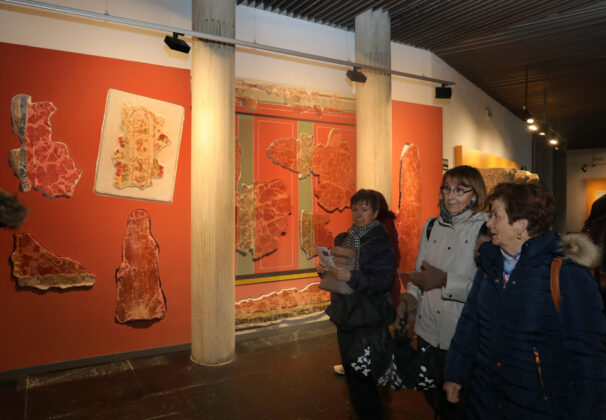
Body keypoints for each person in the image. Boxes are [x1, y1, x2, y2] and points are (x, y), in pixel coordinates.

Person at [444, 182, 606, 419]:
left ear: (522, 224)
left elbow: (587, 356)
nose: (488, 223)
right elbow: (470, 323)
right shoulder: (490, 264)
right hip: (485, 401)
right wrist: (455, 373)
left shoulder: (565, 272)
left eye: (495, 215)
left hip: (538, 406)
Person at [397, 165, 488, 420]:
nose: (450, 196)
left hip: (460, 337)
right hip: (427, 332)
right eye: (446, 189)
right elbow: (419, 273)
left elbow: (488, 292)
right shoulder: (431, 226)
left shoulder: (484, 229)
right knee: (434, 399)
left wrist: (446, 281)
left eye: (459, 190)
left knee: (459, 407)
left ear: (474, 194)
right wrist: (410, 298)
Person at [319, 189, 396, 419]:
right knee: (351, 373)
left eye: (364, 209)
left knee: (364, 377)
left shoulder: (380, 243)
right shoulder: (344, 238)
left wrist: (352, 277)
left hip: (367, 318)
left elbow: (383, 282)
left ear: (375, 212)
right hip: (345, 314)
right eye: (355, 209)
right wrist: (324, 271)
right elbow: (337, 276)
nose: (358, 214)